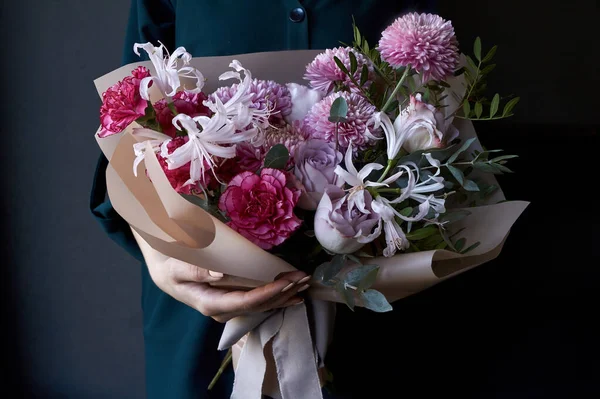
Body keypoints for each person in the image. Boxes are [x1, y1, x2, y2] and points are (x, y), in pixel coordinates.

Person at [91, 1, 438, 398]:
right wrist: (161, 263)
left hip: (371, 309)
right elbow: (125, 135)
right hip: (203, 314)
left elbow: (435, 116)